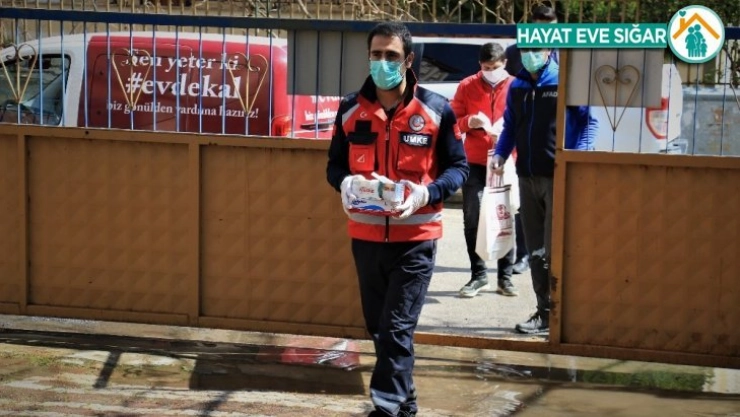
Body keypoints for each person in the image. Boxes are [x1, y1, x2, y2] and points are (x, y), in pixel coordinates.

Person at [326, 22, 469, 417]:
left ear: (408, 61)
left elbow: (459, 168)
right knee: (380, 330)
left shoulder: (436, 110)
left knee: (396, 329)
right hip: (365, 238)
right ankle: (405, 406)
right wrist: (345, 183)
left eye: (391, 55)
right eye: (376, 55)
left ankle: (386, 409)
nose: (383, 62)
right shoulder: (350, 109)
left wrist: (427, 192)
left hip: (415, 241)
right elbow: (334, 166)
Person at [492, 47, 597, 335]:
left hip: (557, 177)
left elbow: (589, 122)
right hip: (526, 178)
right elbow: (510, 125)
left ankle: (567, 313)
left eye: (536, 49)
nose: (530, 54)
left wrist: (577, 160)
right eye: (526, 49)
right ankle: (545, 313)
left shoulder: (565, 81)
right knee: (536, 250)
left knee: (556, 250)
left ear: (549, 49)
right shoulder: (517, 85)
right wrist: (500, 153)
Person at [450, 42, 518, 298]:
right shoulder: (467, 86)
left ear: (505, 64)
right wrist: (470, 121)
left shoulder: (516, 86)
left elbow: (525, 122)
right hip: (475, 160)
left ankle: (505, 278)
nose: (491, 72)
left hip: (505, 160)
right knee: (473, 215)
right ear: (480, 65)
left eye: (495, 67)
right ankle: (478, 276)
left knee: (505, 215)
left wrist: (507, 134)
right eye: (486, 68)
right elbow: (453, 122)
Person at [504, 5, 558, 275]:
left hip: (554, 157)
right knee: (525, 213)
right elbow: (513, 107)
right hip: (526, 155)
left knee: (553, 231)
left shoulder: (567, 57)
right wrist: (503, 151)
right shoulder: (517, 54)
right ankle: (524, 255)